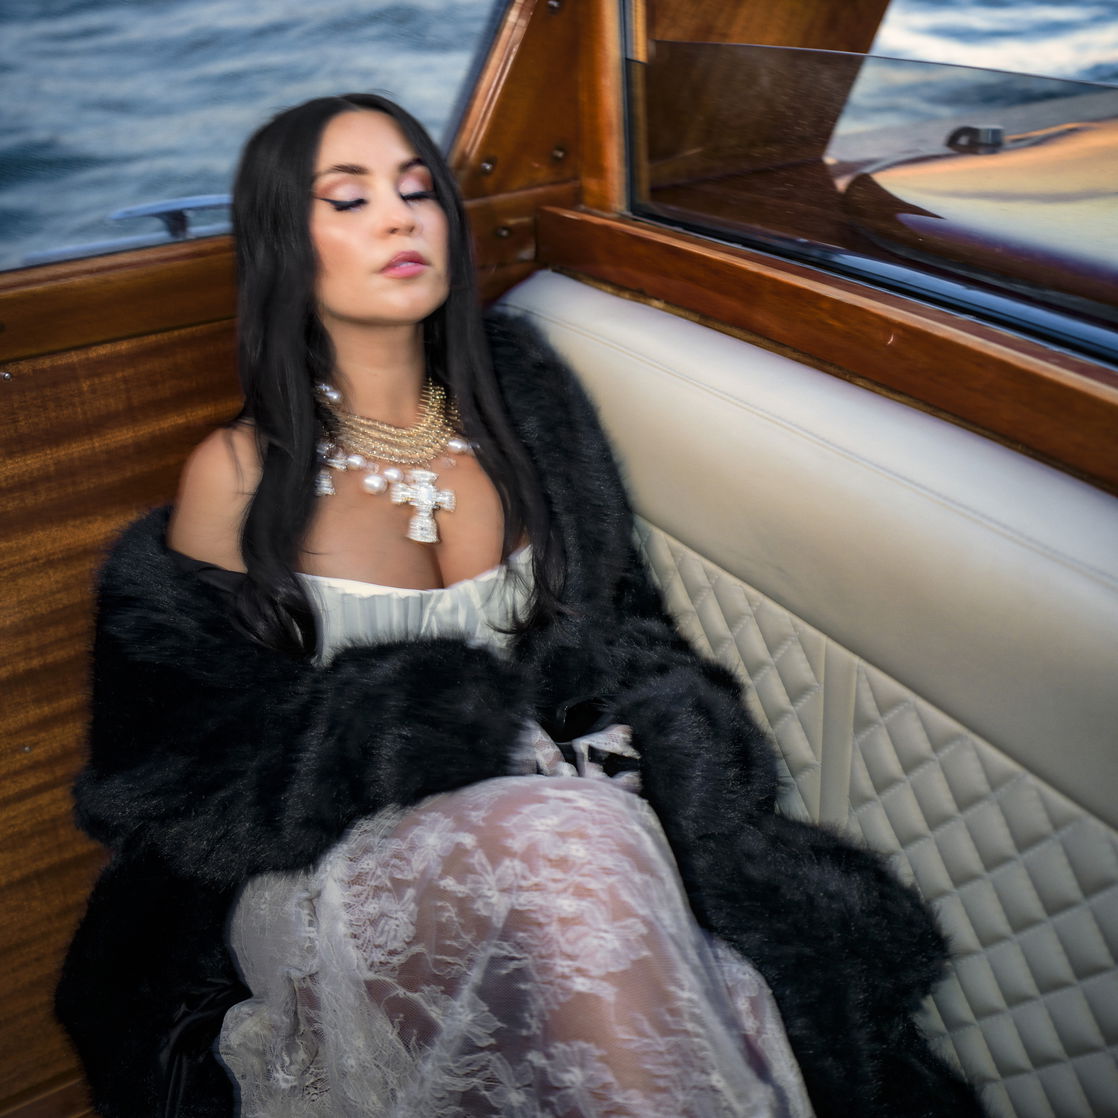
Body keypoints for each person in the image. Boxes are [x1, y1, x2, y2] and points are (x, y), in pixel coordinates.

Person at [56, 94, 984, 1118]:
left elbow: (626, 631)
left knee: (581, 852)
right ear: (284, 241)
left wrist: (643, 731)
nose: (400, 218)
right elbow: (173, 770)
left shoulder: (526, 412)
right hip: (332, 871)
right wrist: (394, 731)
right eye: (349, 200)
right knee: (567, 843)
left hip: (559, 823)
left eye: (418, 191)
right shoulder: (237, 475)